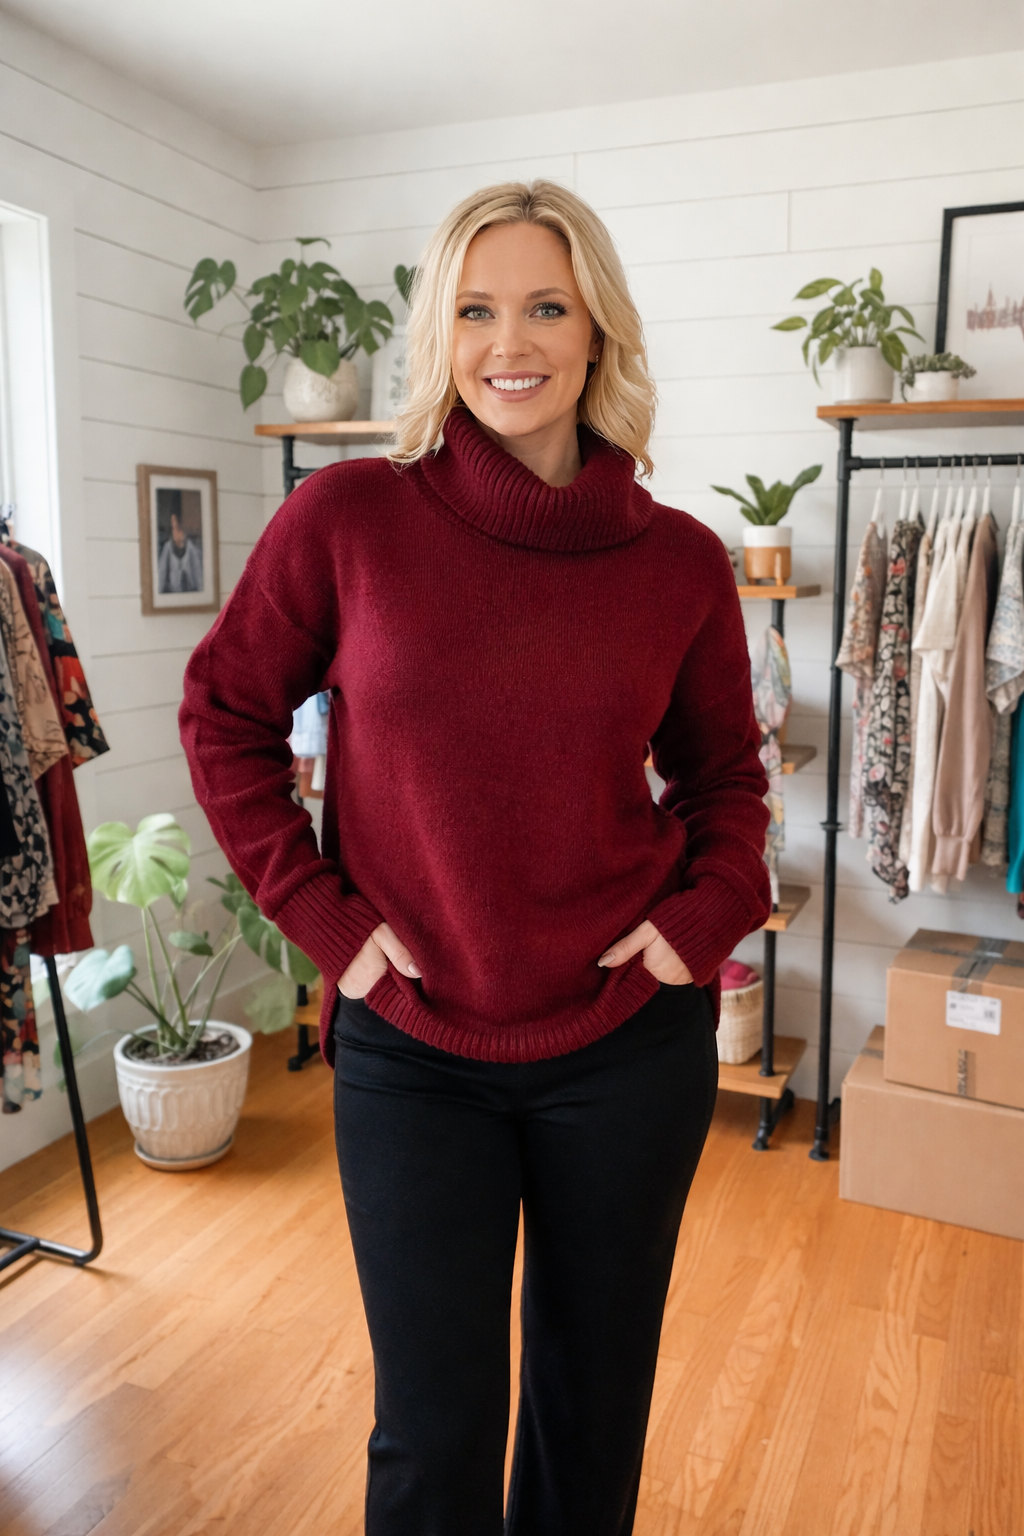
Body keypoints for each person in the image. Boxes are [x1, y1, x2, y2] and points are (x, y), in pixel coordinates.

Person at [180, 180, 770, 1536]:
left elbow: (727, 782)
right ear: (439, 338)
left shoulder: (680, 563)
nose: (513, 341)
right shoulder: (349, 518)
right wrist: (328, 921)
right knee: (432, 1439)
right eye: (476, 309)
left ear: (598, 330)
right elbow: (225, 713)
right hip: (411, 1051)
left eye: (548, 306)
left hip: (627, 1047)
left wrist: (701, 920)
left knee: (591, 1415)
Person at [158, 506, 203, 593]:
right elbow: (161, 573)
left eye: (177, 528)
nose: (174, 532)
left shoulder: (191, 547)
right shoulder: (167, 548)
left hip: (190, 592)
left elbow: (198, 573)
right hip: (173, 593)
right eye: (172, 527)